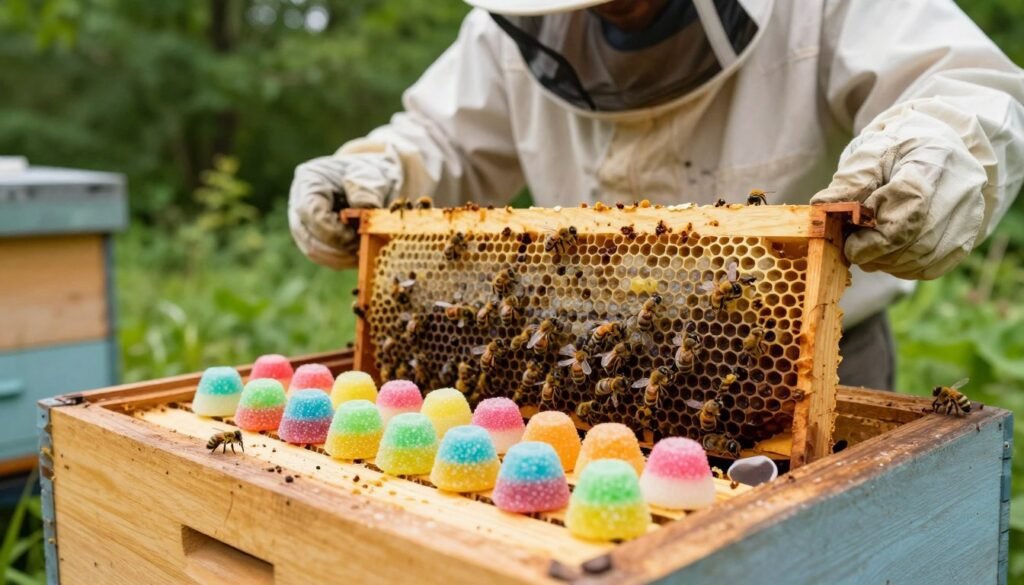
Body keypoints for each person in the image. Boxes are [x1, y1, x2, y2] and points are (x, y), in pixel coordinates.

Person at [288, 0, 1024, 390]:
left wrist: (935, 150)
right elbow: (441, 141)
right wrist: (377, 170)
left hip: (806, 362)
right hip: (582, 364)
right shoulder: (500, 34)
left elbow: (959, 86)